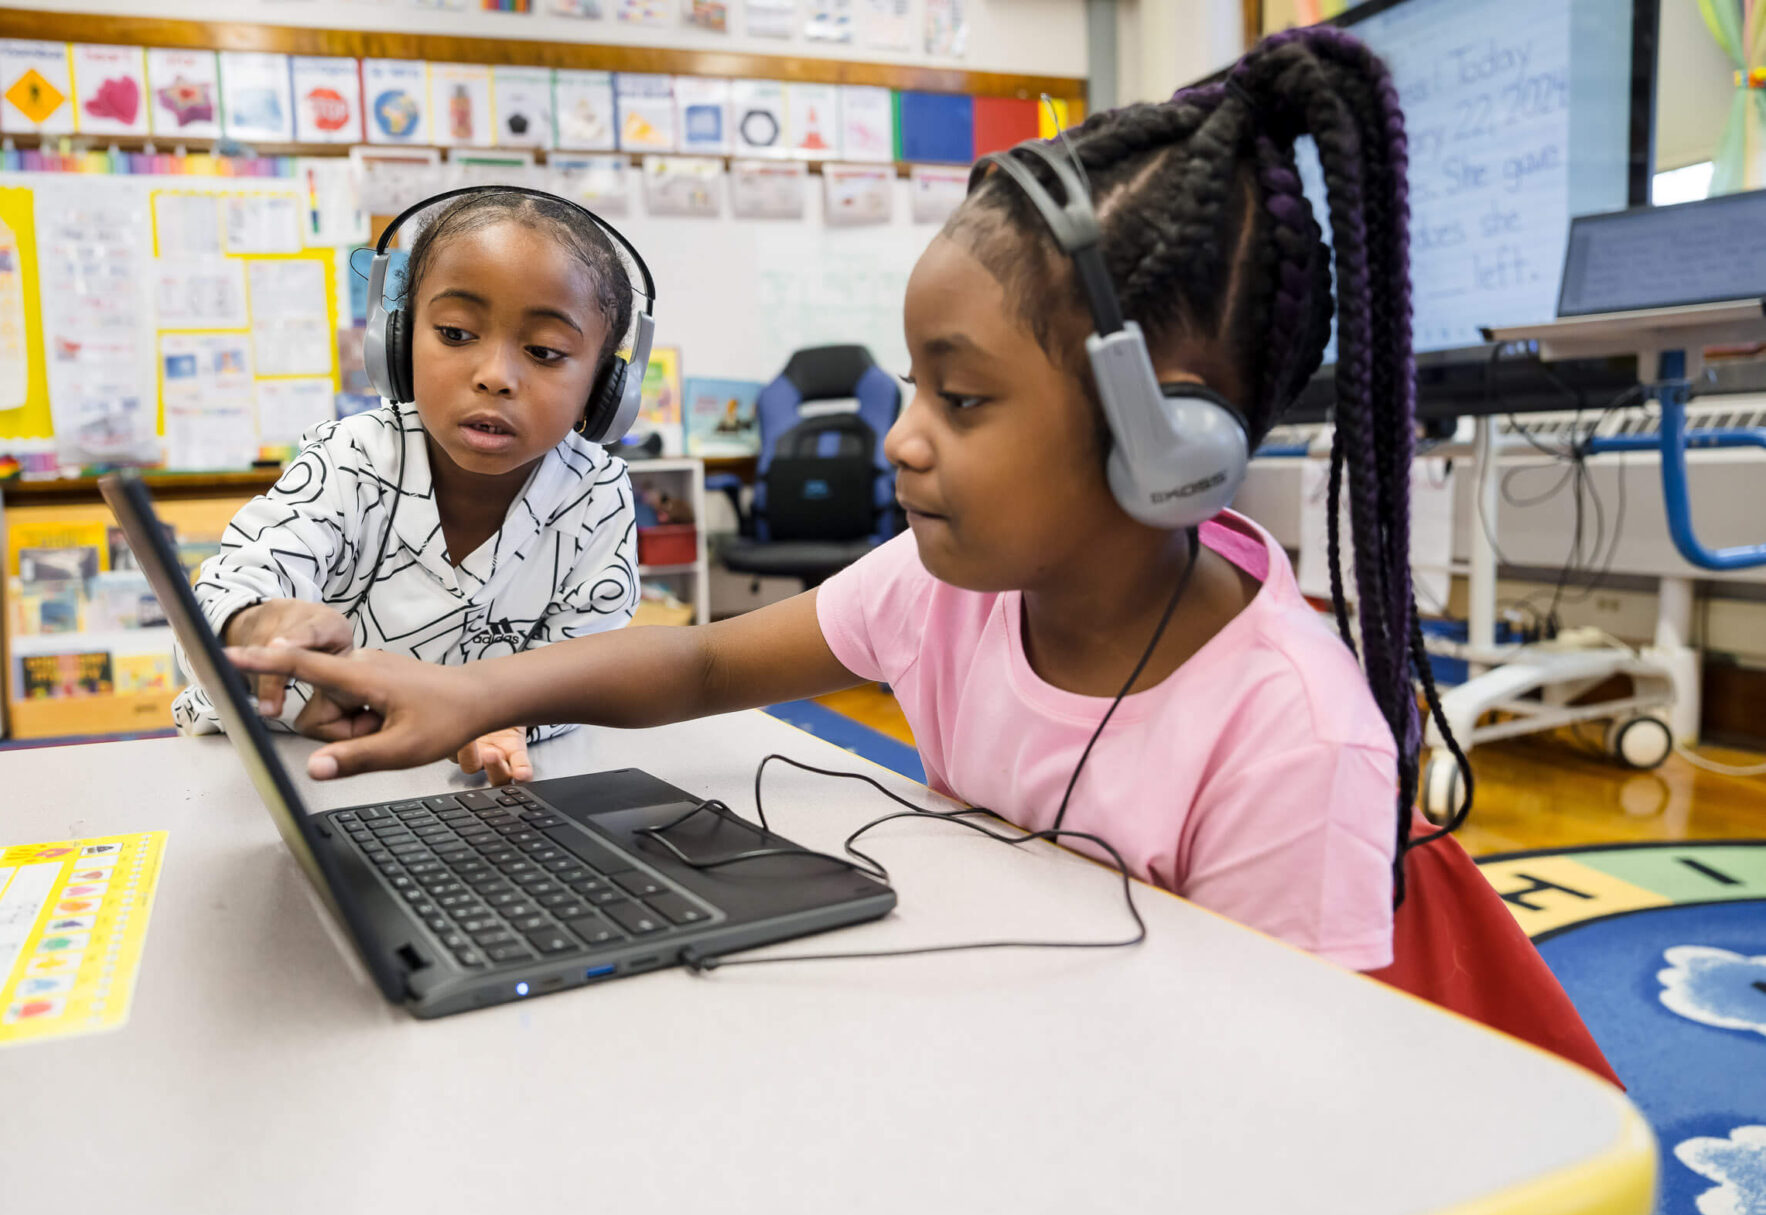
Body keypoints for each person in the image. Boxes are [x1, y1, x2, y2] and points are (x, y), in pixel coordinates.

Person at [230, 30, 1435, 969]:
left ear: (1169, 440)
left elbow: (1275, 1106)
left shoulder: (1289, 741)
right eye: (913, 386)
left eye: (959, 401)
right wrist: (462, 695)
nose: (900, 441)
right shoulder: (939, 590)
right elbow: (700, 666)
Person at [176, 189, 642, 786]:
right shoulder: (354, 460)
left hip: (472, 792)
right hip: (290, 768)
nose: (495, 377)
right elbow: (237, 580)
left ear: (606, 388)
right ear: (395, 344)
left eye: (545, 351)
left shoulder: (596, 495)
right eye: (454, 333)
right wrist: (258, 623)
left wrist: (511, 714)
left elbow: (583, 668)